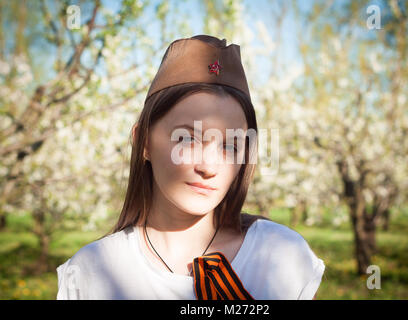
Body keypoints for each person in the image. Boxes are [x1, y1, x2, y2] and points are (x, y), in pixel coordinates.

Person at [56, 35, 325, 300]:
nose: (209, 166)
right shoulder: (92, 273)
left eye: (230, 146)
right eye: (187, 139)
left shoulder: (282, 256)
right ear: (144, 142)